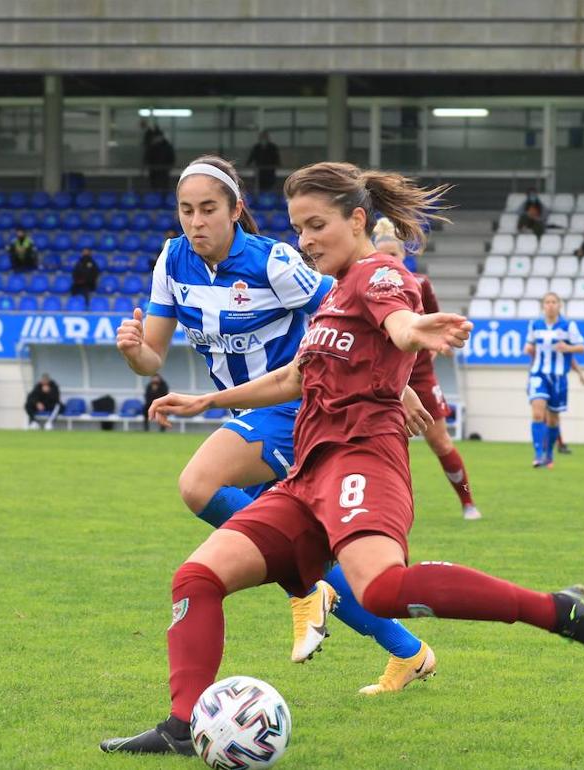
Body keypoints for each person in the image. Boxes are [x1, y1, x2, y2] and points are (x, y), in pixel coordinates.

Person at [101, 162, 584, 756]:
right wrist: (208, 400)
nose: (304, 241)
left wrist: (414, 332)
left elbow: (399, 320)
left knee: (381, 588)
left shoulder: (378, 274)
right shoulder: (327, 306)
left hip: (363, 459)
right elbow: (292, 377)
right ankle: (183, 724)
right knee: (197, 578)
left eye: (316, 225)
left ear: (357, 220)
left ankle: (561, 611)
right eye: (298, 229)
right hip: (308, 470)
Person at [114, 155, 437, 703]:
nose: (196, 222)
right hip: (247, 414)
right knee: (308, 554)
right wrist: (133, 351)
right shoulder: (172, 261)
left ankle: (304, 586)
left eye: (209, 209)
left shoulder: (276, 262)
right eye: (186, 210)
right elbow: (153, 360)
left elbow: (347, 313)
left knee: (199, 485)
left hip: (302, 405)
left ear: (236, 210)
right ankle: (409, 652)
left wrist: (396, 387)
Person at [373, 217, 480, 520]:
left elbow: (434, 321)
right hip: (381, 376)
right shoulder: (368, 285)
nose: (387, 260)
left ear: (404, 256)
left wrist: (435, 345)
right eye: (382, 254)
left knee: (439, 440)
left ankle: (468, 503)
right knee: (382, 446)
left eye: (393, 254)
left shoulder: (419, 284)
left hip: (418, 375)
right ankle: (385, 508)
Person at [524, 292, 584, 468]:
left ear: (559, 305)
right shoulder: (535, 325)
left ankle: (549, 454)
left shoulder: (568, 326)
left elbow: (582, 347)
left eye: (553, 302)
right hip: (538, 375)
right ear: (543, 306)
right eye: (547, 302)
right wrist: (528, 347)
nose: (550, 305)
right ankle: (538, 455)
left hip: (559, 378)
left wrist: (568, 348)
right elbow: (530, 345)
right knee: (537, 413)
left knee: (553, 420)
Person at [554, 359, 584, 455]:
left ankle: (558, 443)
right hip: (542, 380)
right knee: (543, 414)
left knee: (554, 415)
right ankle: (544, 448)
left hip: (557, 381)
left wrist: (580, 374)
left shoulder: (561, 345)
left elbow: (570, 358)